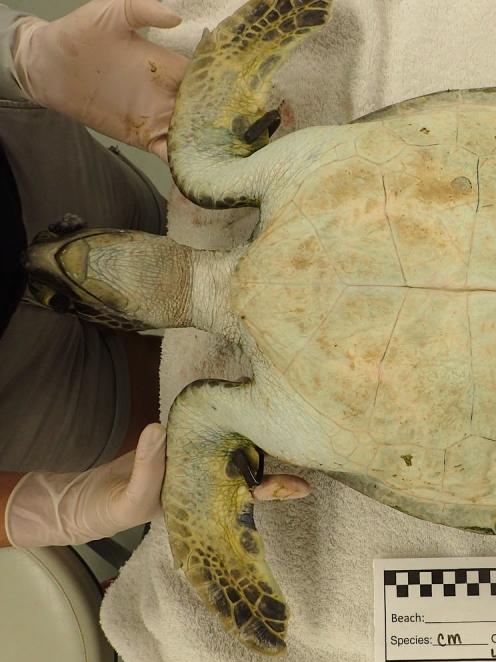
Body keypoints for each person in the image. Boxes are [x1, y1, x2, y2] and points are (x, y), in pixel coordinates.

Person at [0, 0, 306, 549]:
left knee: (190, 402)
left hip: (19, 173)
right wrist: (47, 512)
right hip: (14, 389)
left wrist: (18, 54)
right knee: (161, 426)